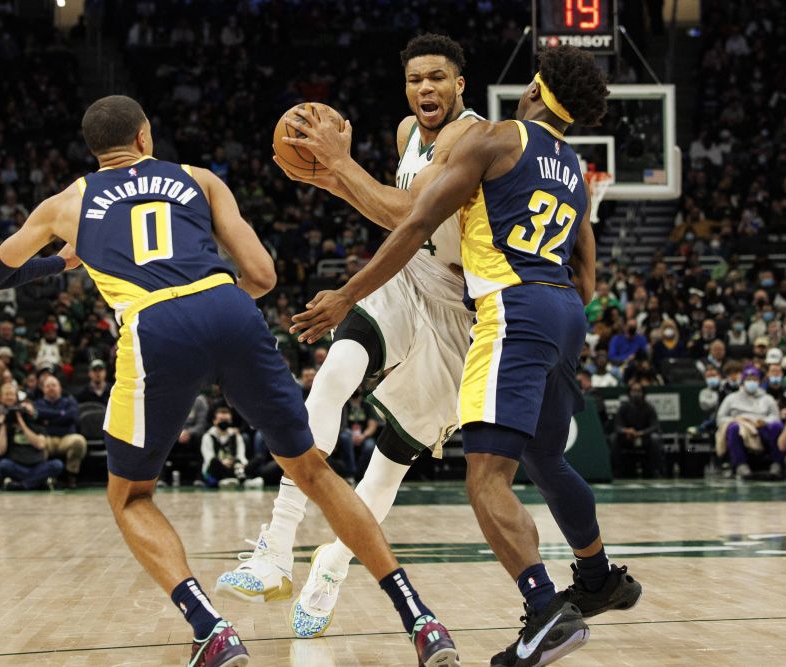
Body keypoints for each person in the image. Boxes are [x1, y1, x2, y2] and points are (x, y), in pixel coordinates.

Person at [0, 94, 458, 666]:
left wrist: (63, 262)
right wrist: (219, 306)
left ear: (93, 149)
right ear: (145, 137)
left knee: (130, 496)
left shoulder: (65, 203)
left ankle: (213, 630)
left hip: (154, 325)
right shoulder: (199, 179)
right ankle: (420, 619)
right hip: (228, 307)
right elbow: (261, 274)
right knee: (314, 472)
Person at [290, 46, 641, 666]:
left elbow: (416, 223)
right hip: (564, 315)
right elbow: (587, 281)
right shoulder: (574, 169)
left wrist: (348, 291)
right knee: (544, 456)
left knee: (486, 477)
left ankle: (543, 614)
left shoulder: (496, 137)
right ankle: (597, 577)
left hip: (513, 312)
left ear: (533, 90)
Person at [218, 34, 486, 640]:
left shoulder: (472, 137)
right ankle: (276, 546)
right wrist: (329, 179)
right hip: (405, 272)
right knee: (332, 379)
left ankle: (333, 566)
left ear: (460, 84)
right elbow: (391, 213)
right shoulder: (404, 134)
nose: (426, 89)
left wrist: (339, 165)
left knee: (389, 465)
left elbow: (411, 214)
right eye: (417, 79)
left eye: (438, 78)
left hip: (460, 314)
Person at [0, 382, 64, 490]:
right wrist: (4, 425)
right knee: (3, 465)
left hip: (37, 465)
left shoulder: (38, 427)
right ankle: (38, 482)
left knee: (57, 465)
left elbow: (40, 445)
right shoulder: (9, 428)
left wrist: (22, 425)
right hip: (17, 466)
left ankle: (23, 485)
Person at [716, 367, 784, 479]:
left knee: (777, 426)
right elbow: (720, 418)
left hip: (761, 427)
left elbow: (776, 417)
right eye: (748, 379)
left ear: (759, 381)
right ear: (743, 381)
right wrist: (737, 420)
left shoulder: (767, 398)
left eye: (754, 379)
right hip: (741, 427)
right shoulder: (731, 398)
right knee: (733, 428)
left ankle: (777, 464)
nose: (751, 382)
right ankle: (740, 465)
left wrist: (765, 421)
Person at [34, 375, 87, 488]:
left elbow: (72, 416)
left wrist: (49, 419)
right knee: (37, 443)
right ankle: (45, 477)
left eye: (54, 385)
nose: (51, 388)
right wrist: (61, 414)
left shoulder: (69, 401)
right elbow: (38, 415)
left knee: (79, 441)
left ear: (60, 388)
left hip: (66, 438)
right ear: (43, 389)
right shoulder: (38, 403)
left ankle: (71, 476)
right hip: (47, 438)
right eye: (48, 386)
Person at [612, 383, 664, 478]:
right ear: (629, 393)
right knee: (614, 438)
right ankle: (617, 471)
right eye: (634, 391)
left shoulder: (649, 407)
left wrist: (641, 433)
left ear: (643, 393)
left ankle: (655, 471)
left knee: (655, 438)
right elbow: (617, 426)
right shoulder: (623, 408)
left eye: (639, 391)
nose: (636, 393)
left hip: (644, 438)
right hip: (628, 437)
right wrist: (627, 431)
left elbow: (654, 426)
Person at [200, 405, 248, 488]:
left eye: (227, 420)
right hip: (217, 468)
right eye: (221, 420)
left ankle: (230, 480)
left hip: (234, 466)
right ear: (214, 421)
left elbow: (241, 455)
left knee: (257, 459)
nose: (224, 422)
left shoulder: (236, 435)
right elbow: (208, 458)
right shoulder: (208, 436)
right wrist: (223, 462)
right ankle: (238, 480)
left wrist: (238, 463)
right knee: (214, 462)